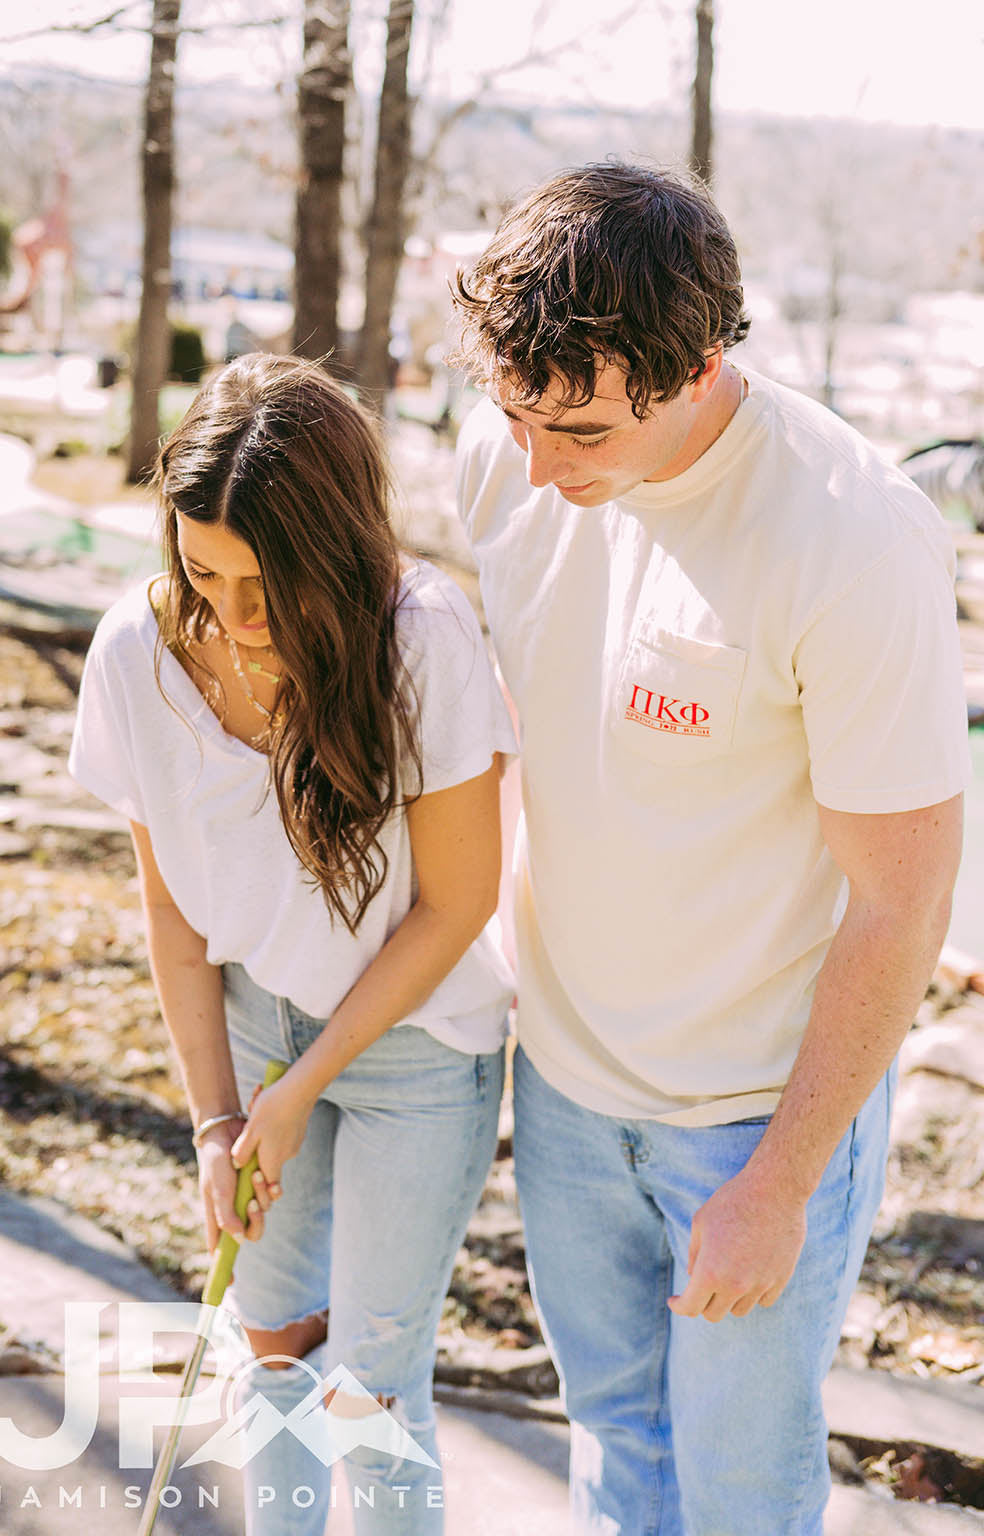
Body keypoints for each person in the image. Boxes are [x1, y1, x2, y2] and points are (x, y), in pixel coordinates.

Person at [450, 162, 969, 1534]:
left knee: (740, 1493)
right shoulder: (507, 456)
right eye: (514, 414)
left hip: (749, 1120)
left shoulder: (851, 540)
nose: (538, 467)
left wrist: (780, 1184)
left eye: (580, 429)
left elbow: (903, 902)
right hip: (567, 1092)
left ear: (698, 367)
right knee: (620, 1449)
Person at [68, 352, 516, 1534]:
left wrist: (306, 1084)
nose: (235, 614)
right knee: (269, 1362)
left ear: (337, 549)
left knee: (370, 1391)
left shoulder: (422, 635)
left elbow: (457, 902)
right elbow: (172, 915)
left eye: (268, 583)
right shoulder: (137, 655)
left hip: (418, 1045)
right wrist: (219, 1117)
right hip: (259, 1028)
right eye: (204, 571)